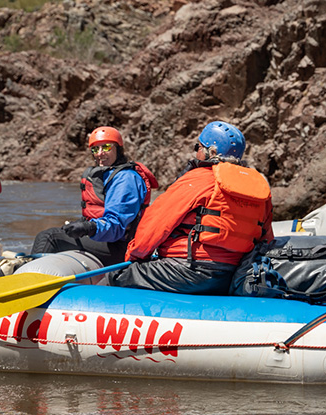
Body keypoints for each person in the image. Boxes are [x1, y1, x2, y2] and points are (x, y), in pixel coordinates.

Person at [109, 121, 273, 295]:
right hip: (234, 274)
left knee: (119, 275)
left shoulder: (198, 179)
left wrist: (134, 258)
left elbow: (154, 224)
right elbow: (267, 239)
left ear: (212, 152)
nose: (196, 152)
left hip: (189, 271)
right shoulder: (258, 189)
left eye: (199, 147)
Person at [30, 126, 158, 266]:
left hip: (122, 246)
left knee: (49, 237)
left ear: (118, 149)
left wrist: (88, 228)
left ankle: (29, 282)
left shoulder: (125, 179)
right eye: (95, 149)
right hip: (109, 240)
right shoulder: (109, 174)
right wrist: (82, 225)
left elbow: (116, 225)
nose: (100, 153)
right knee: (60, 231)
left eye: (106, 147)